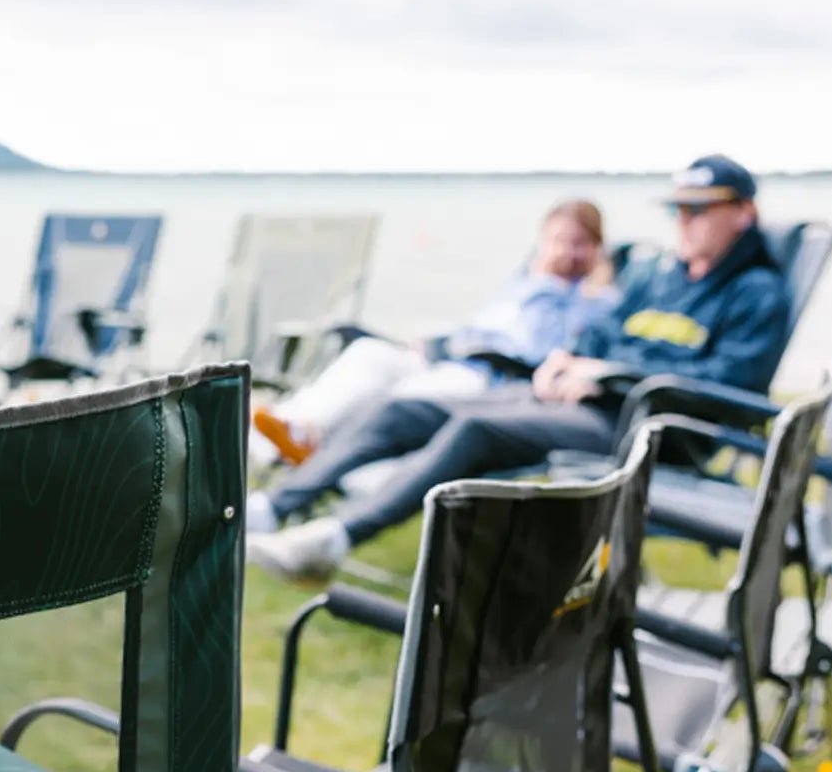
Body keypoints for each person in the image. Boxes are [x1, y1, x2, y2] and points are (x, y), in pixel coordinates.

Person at [248, 154, 791, 581]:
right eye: (678, 209)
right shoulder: (663, 277)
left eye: (698, 211)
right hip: (584, 398)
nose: (683, 222)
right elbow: (603, 328)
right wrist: (570, 357)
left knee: (475, 428)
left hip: (647, 427)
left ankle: (334, 539)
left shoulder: (758, 293)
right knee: (410, 410)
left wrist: (609, 373)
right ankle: (276, 507)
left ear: (743, 213)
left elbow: (726, 383)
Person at [252, 199, 620, 464]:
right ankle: (284, 430)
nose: (567, 253)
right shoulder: (524, 282)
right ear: (543, 242)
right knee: (370, 355)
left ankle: (307, 447)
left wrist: (567, 283)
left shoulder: (596, 299)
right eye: (559, 241)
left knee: (400, 400)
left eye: (579, 243)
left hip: (490, 379)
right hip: (452, 357)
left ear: (597, 248)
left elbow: (551, 348)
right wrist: (437, 342)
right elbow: (485, 324)